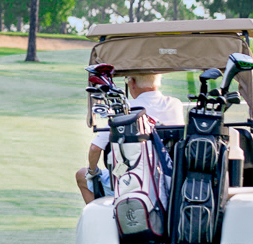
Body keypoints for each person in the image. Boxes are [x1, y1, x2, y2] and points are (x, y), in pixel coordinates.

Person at [76, 72, 183, 204]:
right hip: (169, 177)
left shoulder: (125, 109)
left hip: (133, 180)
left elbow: (95, 148)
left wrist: (93, 171)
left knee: (82, 175)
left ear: (132, 83)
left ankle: (107, 218)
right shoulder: (175, 104)